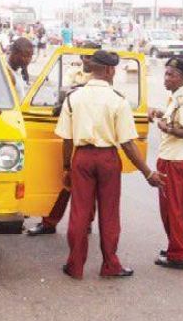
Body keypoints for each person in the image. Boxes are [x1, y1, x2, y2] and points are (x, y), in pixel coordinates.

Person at [55, 50, 165, 279]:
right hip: (107, 160)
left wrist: (67, 167)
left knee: (79, 214)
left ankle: (75, 266)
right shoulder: (118, 101)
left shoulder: (73, 98)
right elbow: (127, 144)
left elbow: (66, 138)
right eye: (113, 69)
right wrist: (147, 173)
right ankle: (110, 265)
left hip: (82, 158)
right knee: (109, 214)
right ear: (108, 70)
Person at [27, 42, 102, 236]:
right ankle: (49, 222)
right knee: (61, 183)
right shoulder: (72, 73)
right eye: (86, 56)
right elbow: (62, 94)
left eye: (92, 57)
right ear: (81, 58)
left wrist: (77, 91)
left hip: (90, 137)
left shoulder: (101, 79)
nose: (88, 60)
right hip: (70, 132)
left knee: (89, 188)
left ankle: (85, 224)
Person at [148, 57, 183, 270]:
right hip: (171, 158)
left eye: (172, 75)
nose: (166, 78)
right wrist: (161, 114)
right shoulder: (175, 99)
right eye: (166, 73)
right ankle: (176, 246)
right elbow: (175, 118)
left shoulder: (182, 102)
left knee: (172, 209)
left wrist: (166, 128)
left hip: (174, 161)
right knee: (169, 208)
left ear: (182, 79)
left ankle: (178, 255)